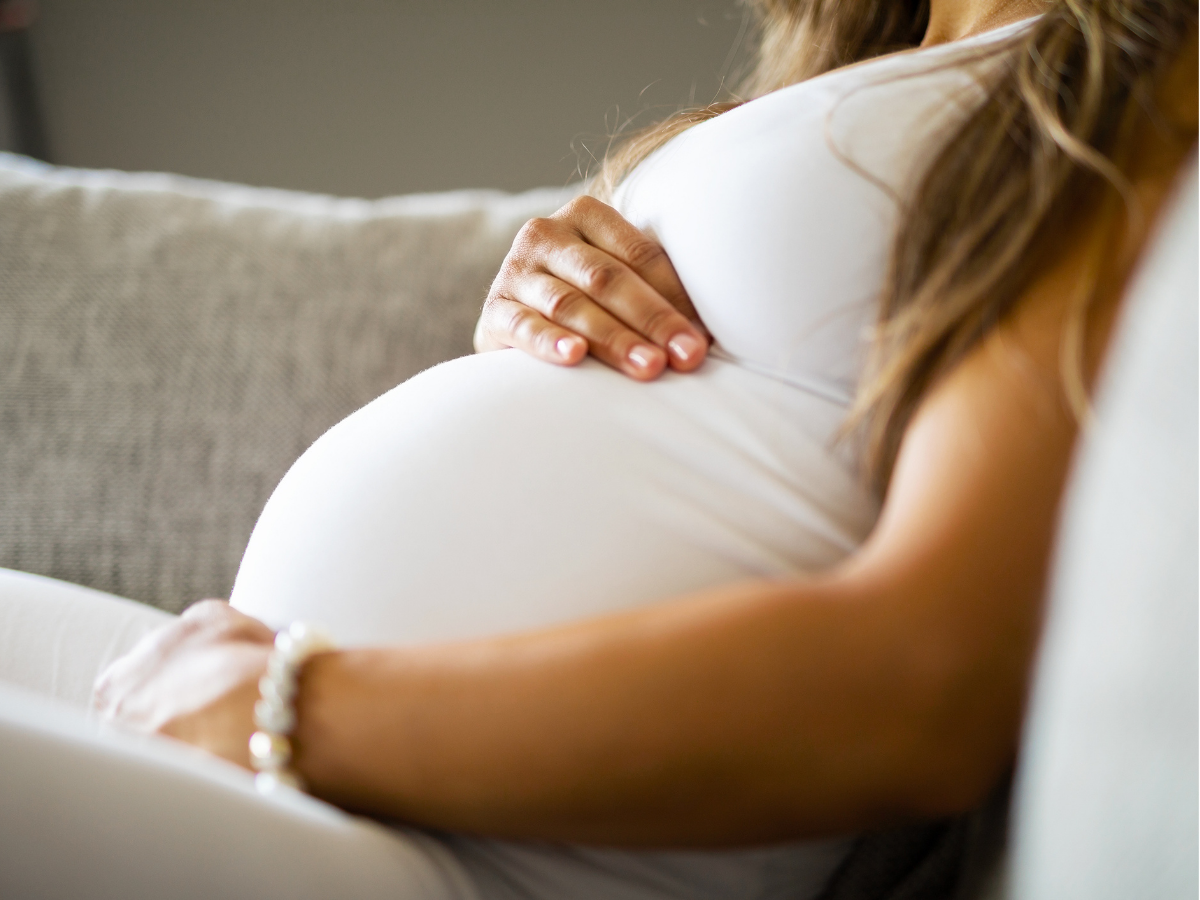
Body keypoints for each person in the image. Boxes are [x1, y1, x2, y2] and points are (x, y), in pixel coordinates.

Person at [4, 0, 1197, 897]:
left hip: (453, 851)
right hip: (307, 762)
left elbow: (927, 678)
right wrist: (540, 332)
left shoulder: (1136, 91)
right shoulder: (872, 69)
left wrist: (288, 706)